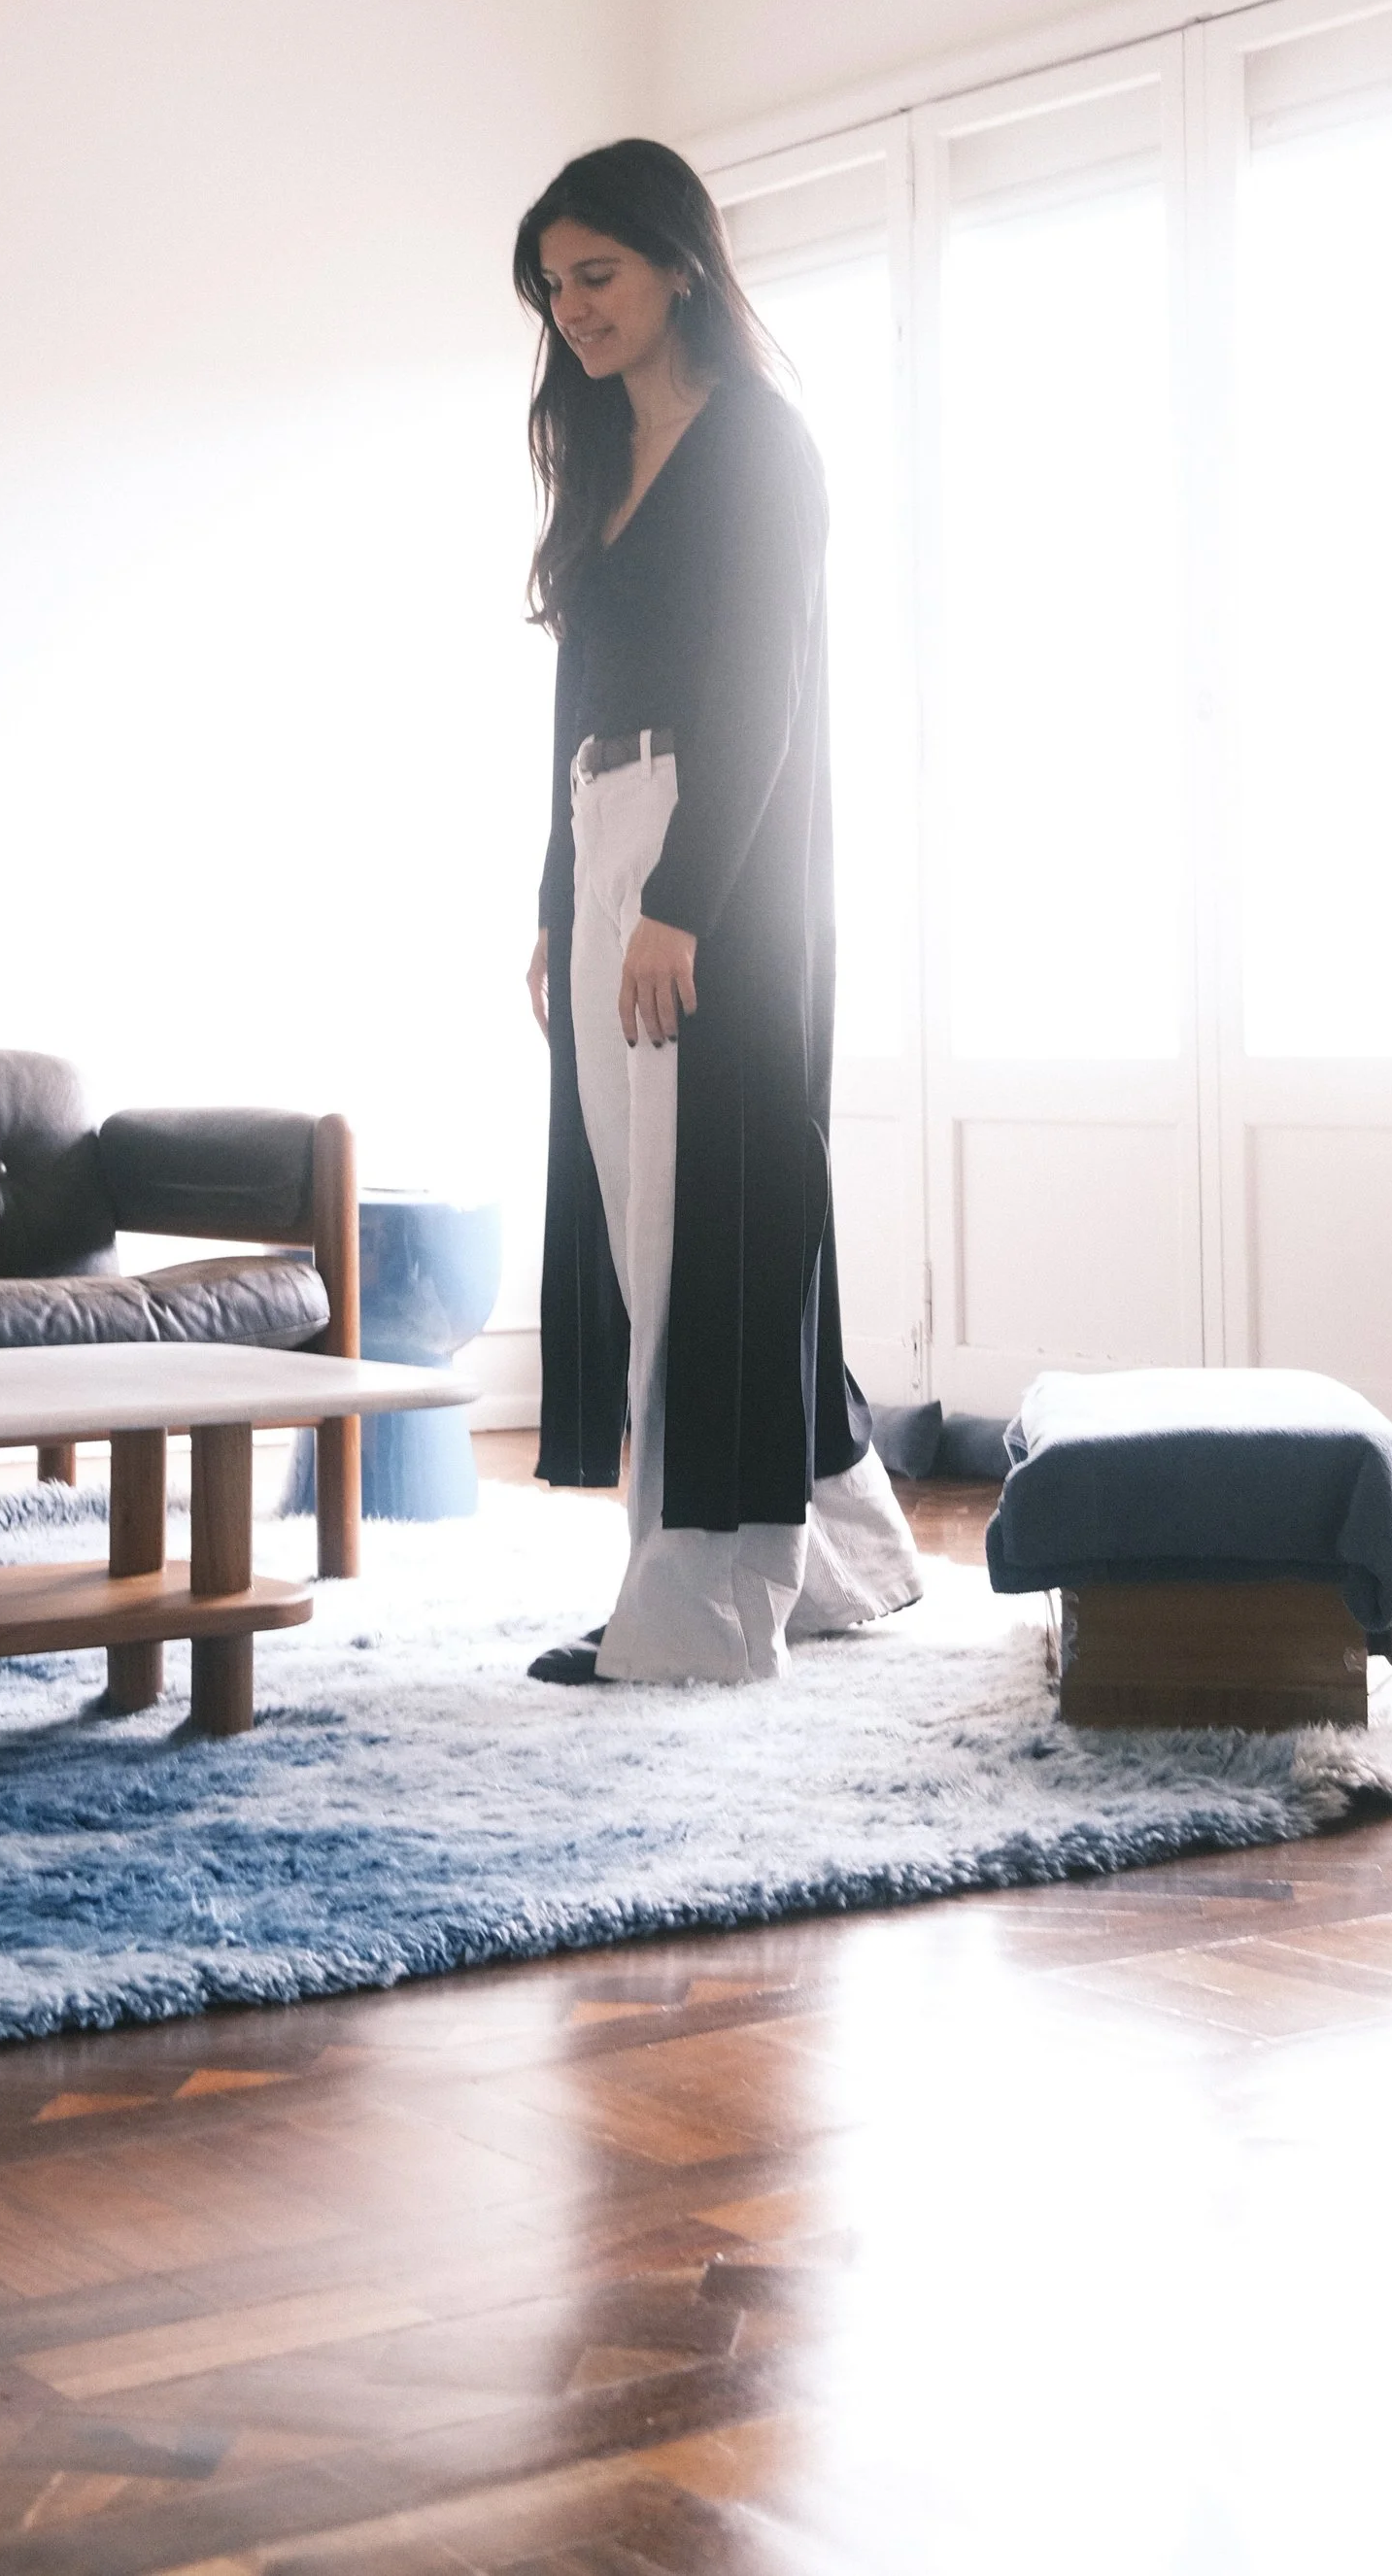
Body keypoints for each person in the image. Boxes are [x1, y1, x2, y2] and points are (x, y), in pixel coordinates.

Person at [517, 138, 923, 1683]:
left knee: (713, 1226)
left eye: (598, 274)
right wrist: (564, 896)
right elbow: (576, 697)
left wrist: (679, 903)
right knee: (648, 1229)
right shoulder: (598, 447)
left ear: (679, 262)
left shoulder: (760, 446)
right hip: (607, 833)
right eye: (554, 287)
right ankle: (842, 1553)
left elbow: (761, 685)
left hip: (721, 865)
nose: (573, 311)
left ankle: (695, 1615)